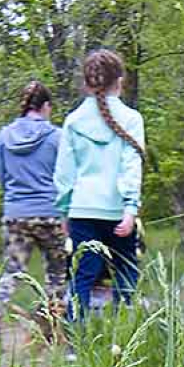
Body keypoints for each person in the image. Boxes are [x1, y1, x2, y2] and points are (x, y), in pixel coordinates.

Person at [53, 49, 145, 318]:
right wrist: (130, 207)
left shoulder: (73, 122)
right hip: (117, 210)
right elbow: (131, 165)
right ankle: (123, 330)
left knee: (82, 277)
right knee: (126, 270)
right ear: (120, 80)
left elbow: (64, 173)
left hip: (82, 208)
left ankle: (75, 345)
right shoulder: (131, 119)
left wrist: (65, 211)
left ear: (87, 83)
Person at [0, 80, 67, 344]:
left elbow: (2, 174)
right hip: (51, 212)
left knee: (12, 271)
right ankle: (50, 326)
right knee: (57, 273)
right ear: (46, 106)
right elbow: (65, 177)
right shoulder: (56, 136)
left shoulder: (4, 137)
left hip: (16, 212)